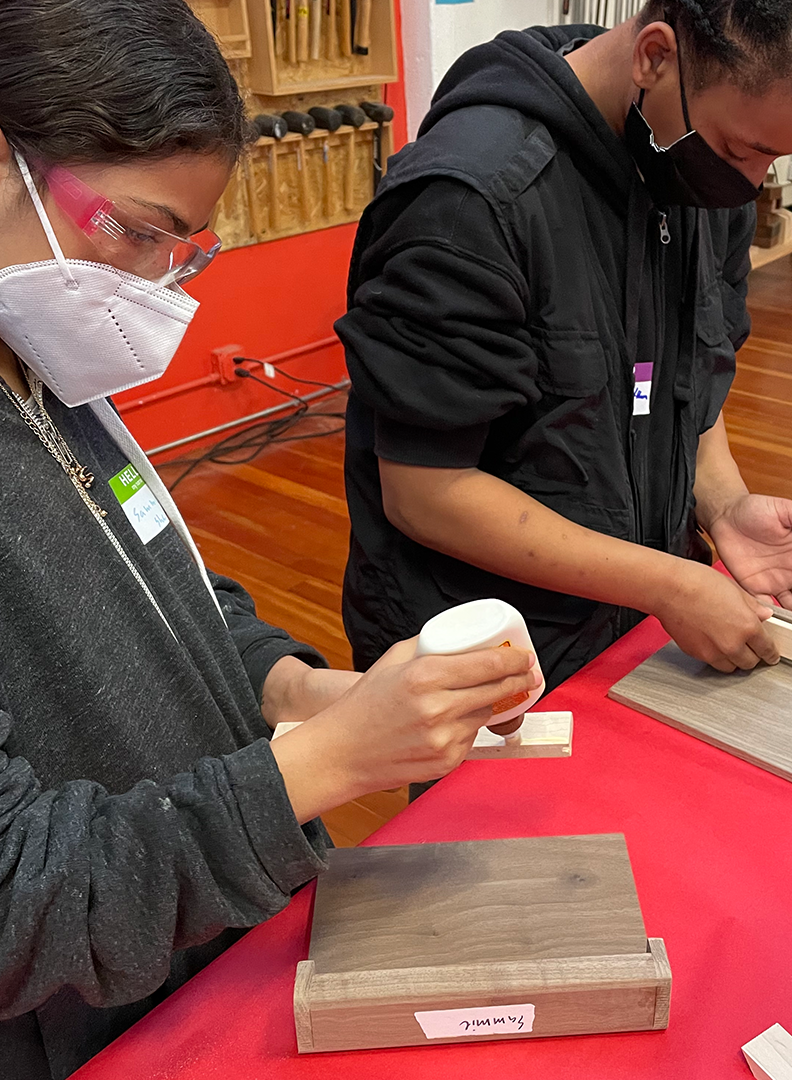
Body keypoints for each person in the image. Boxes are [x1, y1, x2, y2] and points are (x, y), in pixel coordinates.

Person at [0, 3, 538, 1075]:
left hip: (215, 940)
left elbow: (169, 596)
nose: (149, 283)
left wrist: (296, 693)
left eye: (175, 249)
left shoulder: (36, 361)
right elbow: (20, 903)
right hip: (105, 1026)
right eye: (136, 230)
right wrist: (324, 766)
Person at [338, 1, 792, 693]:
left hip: (629, 622)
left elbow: (685, 385)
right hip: (489, 649)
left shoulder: (695, 172)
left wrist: (724, 505)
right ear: (654, 56)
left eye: (776, 156)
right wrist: (670, 584)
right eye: (742, 150)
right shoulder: (470, 204)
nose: (752, 184)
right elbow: (426, 491)